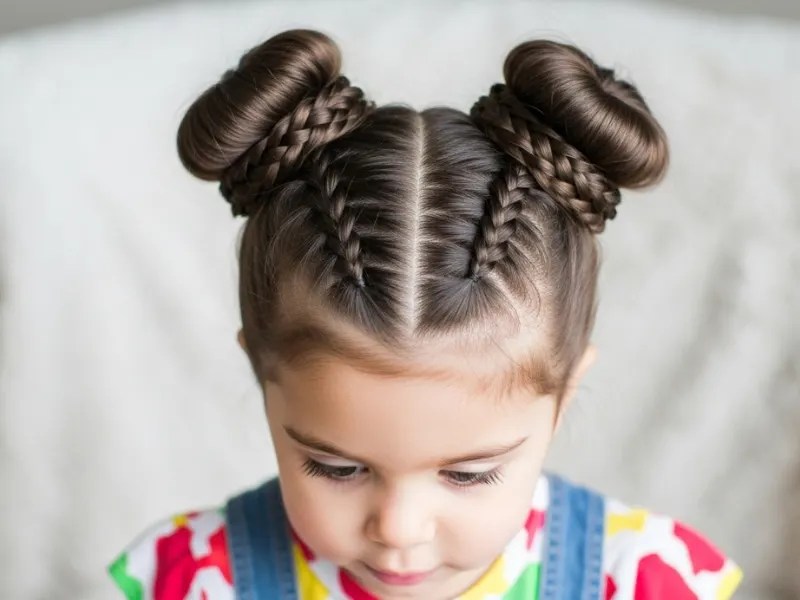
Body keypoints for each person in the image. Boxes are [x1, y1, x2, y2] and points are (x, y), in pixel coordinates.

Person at [108, 28, 741, 600]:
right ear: (259, 371)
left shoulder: (646, 580)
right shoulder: (190, 579)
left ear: (566, 390)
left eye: (468, 475)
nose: (398, 530)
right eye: (336, 467)